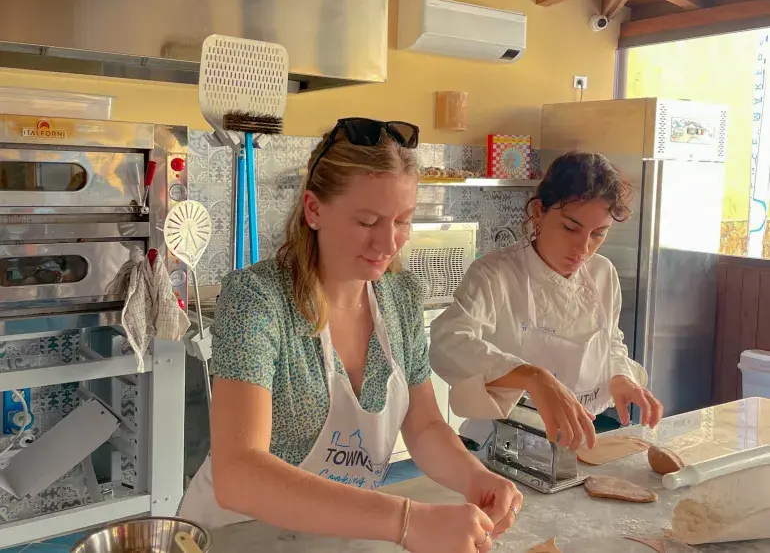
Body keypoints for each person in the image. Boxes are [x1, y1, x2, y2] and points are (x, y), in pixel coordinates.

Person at [178, 118, 523, 553]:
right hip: (236, 536)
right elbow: (239, 473)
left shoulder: (400, 298)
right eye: (367, 221)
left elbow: (425, 426)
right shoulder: (257, 300)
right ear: (314, 210)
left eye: (402, 221)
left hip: (338, 536)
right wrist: (408, 521)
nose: (388, 243)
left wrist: (476, 478)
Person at [429, 151, 664, 455]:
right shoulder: (495, 274)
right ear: (539, 211)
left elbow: (609, 340)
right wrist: (533, 377)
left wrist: (620, 376)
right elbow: (447, 343)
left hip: (576, 438)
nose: (583, 248)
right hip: (501, 443)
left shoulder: (603, 273)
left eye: (598, 233)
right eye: (570, 227)